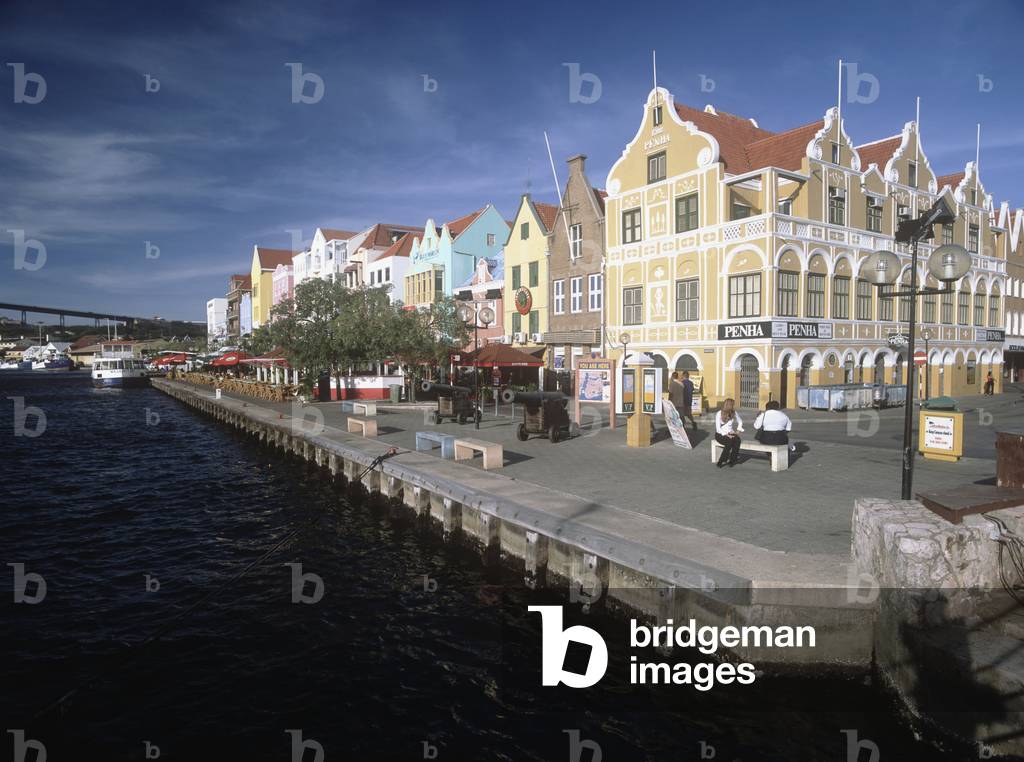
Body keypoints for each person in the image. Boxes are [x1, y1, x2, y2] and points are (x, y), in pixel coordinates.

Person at [714, 398, 743, 468]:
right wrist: (727, 435)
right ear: (729, 405)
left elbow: (740, 421)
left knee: (737, 440)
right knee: (729, 441)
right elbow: (718, 429)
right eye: (732, 405)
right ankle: (721, 461)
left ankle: (732, 460)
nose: (733, 406)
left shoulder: (733, 412)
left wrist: (738, 430)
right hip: (720, 434)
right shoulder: (719, 413)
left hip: (730, 433)